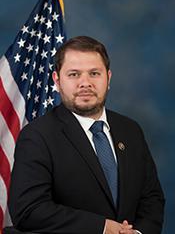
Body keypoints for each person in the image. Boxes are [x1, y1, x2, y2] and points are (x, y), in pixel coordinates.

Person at [8, 36, 165, 234]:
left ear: (108, 78)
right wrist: (103, 228)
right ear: (57, 81)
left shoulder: (131, 130)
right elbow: (28, 210)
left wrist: (137, 233)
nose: (85, 83)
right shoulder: (37, 136)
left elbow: (152, 199)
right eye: (74, 74)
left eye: (94, 73)